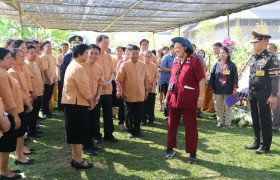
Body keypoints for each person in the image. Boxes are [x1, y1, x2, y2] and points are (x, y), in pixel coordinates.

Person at [165, 37, 205, 164]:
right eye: (174, 47)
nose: (175, 50)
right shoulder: (175, 62)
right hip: (174, 98)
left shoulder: (195, 61)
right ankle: (169, 148)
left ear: (185, 48)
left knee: (190, 127)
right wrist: (167, 95)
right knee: (172, 125)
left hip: (188, 99)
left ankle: (192, 153)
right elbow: (172, 80)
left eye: (178, 47)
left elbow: (202, 79)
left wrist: (201, 97)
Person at [245, 31, 280, 154]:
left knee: (264, 119)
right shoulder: (254, 57)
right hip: (254, 92)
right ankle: (256, 142)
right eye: (253, 43)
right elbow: (252, 76)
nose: (253, 45)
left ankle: (265, 146)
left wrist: (273, 95)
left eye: (256, 42)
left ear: (265, 42)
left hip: (265, 93)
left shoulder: (271, 58)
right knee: (255, 117)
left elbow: (276, 78)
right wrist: (249, 92)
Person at [61, 43, 94, 169]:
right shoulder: (78, 67)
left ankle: (76, 158)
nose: (88, 55)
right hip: (76, 104)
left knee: (74, 133)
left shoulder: (73, 64)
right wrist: (91, 101)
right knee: (78, 133)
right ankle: (79, 160)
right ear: (80, 54)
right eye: (86, 52)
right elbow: (85, 89)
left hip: (72, 104)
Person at [116, 45, 150, 138]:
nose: (135, 55)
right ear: (129, 54)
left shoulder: (142, 64)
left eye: (136, 53)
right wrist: (122, 91)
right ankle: (131, 131)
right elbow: (120, 79)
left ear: (139, 54)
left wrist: (146, 90)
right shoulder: (125, 65)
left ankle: (137, 130)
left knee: (139, 113)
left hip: (140, 93)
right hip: (129, 94)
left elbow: (146, 79)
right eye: (133, 53)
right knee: (129, 113)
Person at [9, 49, 34, 165]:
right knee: (19, 132)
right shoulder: (12, 72)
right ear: (13, 59)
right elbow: (19, 92)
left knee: (22, 131)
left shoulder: (19, 71)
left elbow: (25, 90)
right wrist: (28, 104)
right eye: (20, 56)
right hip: (18, 106)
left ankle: (20, 154)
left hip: (23, 104)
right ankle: (18, 155)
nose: (23, 57)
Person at [0, 48, 22, 179]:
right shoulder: (1, 74)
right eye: (8, 58)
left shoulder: (4, 72)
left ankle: (4, 167)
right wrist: (15, 115)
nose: (11, 61)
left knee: (6, 144)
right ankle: (3, 170)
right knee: (5, 144)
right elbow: (7, 98)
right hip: (7, 114)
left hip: (8, 112)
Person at [94, 35, 118, 143]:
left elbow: (113, 72)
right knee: (95, 114)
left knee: (108, 113)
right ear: (98, 43)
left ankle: (109, 134)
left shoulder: (109, 57)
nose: (106, 45)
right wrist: (100, 83)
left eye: (107, 43)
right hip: (96, 90)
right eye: (104, 43)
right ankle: (96, 135)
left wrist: (108, 81)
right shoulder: (93, 56)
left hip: (108, 90)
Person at [208, 46, 238, 128]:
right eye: (220, 53)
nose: (221, 54)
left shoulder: (232, 65)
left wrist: (235, 88)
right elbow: (212, 76)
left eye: (223, 53)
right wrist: (211, 87)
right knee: (218, 106)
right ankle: (220, 122)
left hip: (229, 89)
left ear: (227, 54)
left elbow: (235, 77)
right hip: (218, 89)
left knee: (228, 106)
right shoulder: (216, 65)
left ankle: (228, 123)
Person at [82, 44, 104, 156]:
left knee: (94, 122)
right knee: (85, 123)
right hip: (83, 99)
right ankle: (85, 146)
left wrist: (98, 97)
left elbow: (100, 83)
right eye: (92, 53)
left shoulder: (99, 67)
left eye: (96, 54)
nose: (94, 56)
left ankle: (91, 144)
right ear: (87, 53)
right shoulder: (81, 66)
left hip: (95, 100)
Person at [25, 45, 44, 138]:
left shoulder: (34, 63)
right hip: (34, 93)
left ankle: (34, 129)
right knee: (32, 113)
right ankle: (31, 131)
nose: (34, 54)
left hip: (39, 91)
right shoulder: (26, 64)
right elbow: (29, 81)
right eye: (31, 53)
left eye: (34, 52)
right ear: (26, 54)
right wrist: (32, 92)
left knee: (36, 112)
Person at [201, 42, 223, 114]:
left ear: (220, 48)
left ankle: (216, 110)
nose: (214, 50)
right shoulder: (216, 58)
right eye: (213, 48)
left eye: (215, 48)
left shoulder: (221, 58)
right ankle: (212, 109)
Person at [116, 45, 132, 131]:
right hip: (122, 88)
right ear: (124, 53)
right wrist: (118, 89)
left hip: (131, 89)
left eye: (130, 52)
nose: (128, 54)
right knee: (122, 106)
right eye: (127, 52)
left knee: (129, 107)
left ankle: (129, 123)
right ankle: (121, 122)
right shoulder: (121, 62)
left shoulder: (134, 62)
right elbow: (118, 78)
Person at [143, 50, 159, 125]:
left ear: (151, 57)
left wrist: (152, 84)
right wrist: (146, 85)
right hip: (143, 88)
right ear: (143, 57)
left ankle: (151, 119)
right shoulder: (141, 65)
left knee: (151, 104)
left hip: (152, 88)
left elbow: (157, 76)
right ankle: (143, 119)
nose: (147, 58)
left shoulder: (154, 65)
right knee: (143, 104)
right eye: (145, 56)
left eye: (149, 56)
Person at [40, 41, 56, 118]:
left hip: (51, 79)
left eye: (50, 46)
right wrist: (49, 79)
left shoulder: (51, 56)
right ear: (43, 48)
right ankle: (44, 112)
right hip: (46, 81)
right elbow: (44, 69)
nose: (49, 48)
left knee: (49, 96)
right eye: (47, 46)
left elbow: (53, 69)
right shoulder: (44, 56)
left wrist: (54, 78)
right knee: (45, 97)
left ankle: (47, 111)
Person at [267, 43, 280, 131]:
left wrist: (278, 89)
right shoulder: (269, 59)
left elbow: (277, 76)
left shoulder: (277, 60)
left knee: (275, 107)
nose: (268, 51)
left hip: (277, 87)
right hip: (271, 88)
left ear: (274, 50)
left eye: (269, 49)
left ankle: (275, 125)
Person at [159, 45, 175, 115]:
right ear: (171, 49)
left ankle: (172, 112)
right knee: (167, 97)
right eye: (175, 48)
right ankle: (166, 113)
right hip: (166, 81)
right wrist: (172, 70)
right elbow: (161, 68)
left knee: (173, 97)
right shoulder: (166, 57)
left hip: (174, 82)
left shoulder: (177, 57)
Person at [192, 44, 206, 118]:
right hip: (191, 79)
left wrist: (203, 76)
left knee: (199, 93)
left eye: (193, 48)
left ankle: (199, 111)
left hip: (199, 78)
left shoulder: (199, 56)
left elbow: (204, 67)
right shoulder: (186, 56)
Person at [56, 43, 69, 112]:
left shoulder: (70, 56)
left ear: (68, 48)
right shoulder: (59, 56)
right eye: (63, 47)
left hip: (68, 77)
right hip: (61, 76)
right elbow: (59, 66)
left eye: (66, 47)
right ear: (61, 48)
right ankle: (60, 107)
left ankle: (65, 106)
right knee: (60, 92)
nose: (64, 48)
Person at [112, 46, 123, 119]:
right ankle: (113, 112)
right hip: (113, 81)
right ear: (115, 52)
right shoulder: (113, 59)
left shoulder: (124, 60)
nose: (119, 52)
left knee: (121, 98)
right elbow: (112, 70)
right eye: (118, 51)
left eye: (120, 51)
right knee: (113, 98)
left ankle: (121, 113)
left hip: (121, 81)